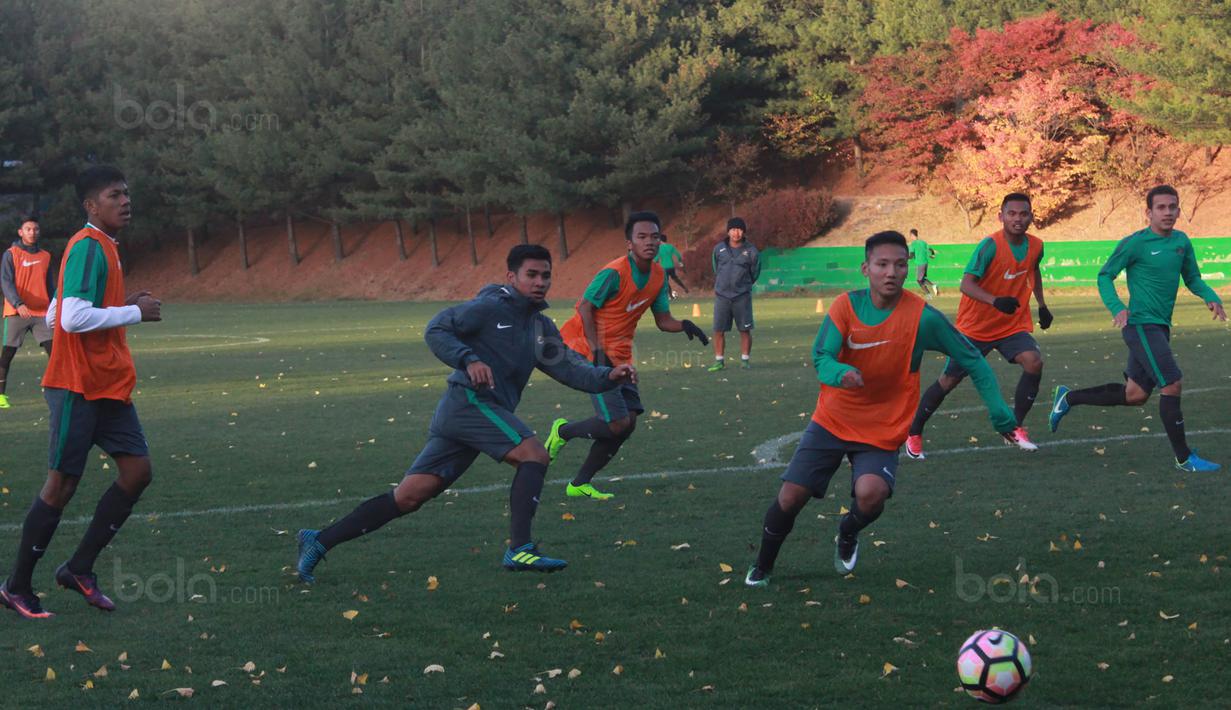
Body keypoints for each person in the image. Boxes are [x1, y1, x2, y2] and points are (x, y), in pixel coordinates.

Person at [295, 245, 636, 582]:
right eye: (531, 275)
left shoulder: (539, 327)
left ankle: (319, 541)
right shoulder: (489, 308)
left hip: (472, 415)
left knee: (410, 496)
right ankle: (520, 549)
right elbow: (437, 329)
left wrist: (607, 376)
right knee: (534, 455)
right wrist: (468, 359)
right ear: (511, 276)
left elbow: (569, 368)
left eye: (545, 275)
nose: (540, 282)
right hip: (470, 403)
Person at [743, 231, 1019, 588]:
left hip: (883, 428)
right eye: (882, 264)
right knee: (791, 495)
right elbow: (820, 356)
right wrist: (841, 372)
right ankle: (764, 564)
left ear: (908, 269)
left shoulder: (923, 318)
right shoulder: (845, 306)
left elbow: (973, 360)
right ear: (866, 268)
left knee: (871, 496)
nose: (891, 272)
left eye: (900, 265)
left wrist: (999, 413)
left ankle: (847, 530)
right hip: (833, 419)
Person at [1, 166, 163, 619]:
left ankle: (78, 568)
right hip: (77, 387)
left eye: (128, 193)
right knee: (61, 485)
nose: (126, 201)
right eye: (115, 195)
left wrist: (115, 307)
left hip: (107, 384)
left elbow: (55, 314)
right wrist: (133, 311)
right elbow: (70, 319)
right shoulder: (90, 246)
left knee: (137, 472)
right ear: (93, 206)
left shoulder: (101, 247)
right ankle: (16, 586)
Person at [1049, 185, 1225, 472]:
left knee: (1135, 395)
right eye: (1161, 207)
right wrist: (1118, 307)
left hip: (1161, 327)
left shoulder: (1182, 241)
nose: (1167, 212)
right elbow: (1105, 275)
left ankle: (1068, 398)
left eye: (1172, 207)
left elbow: (1192, 278)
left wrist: (1211, 297)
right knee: (1172, 383)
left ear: (1179, 211)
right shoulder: (1135, 243)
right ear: (1149, 213)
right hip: (1140, 325)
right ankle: (1184, 458)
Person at [543, 211, 708, 500]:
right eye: (642, 236)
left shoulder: (657, 275)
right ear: (629, 243)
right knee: (616, 423)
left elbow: (662, 319)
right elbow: (583, 307)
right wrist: (596, 352)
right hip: (587, 349)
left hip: (620, 354)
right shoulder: (614, 272)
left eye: (654, 236)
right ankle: (563, 431)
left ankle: (580, 483)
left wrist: (685, 325)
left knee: (628, 422)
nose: (649, 242)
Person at [906, 194, 1051, 459]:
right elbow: (966, 284)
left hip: (1010, 325)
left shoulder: (1037, 246)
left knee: (1034, 362)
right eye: (1012, 213)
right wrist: (994, 301)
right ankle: (914, 431)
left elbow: (1034, 270)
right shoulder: (990, 246)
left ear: (1031, 216)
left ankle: (1014, 427)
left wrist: (1042, 305)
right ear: (1001, 216)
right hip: (975, 328)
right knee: (948, 381)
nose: (1018, 219)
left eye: (1024, 214)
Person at [0, 215, 55, 408]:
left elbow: (50, 287)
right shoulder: (11, 254)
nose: (33, 232)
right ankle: (1, 396)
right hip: (17, 312)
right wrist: (18, 303)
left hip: (41, 313)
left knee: (55, 352)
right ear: (20, 232)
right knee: (8, 353)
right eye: (28, 229)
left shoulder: (46, 256)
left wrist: (55, 306)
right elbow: (5, 282)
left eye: (36, 229)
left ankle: (60, 391)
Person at [709, 217, 760, 370]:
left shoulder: (751, 251)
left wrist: (743, 285)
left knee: (744, 329)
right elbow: (715, 268)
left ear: (743, 231)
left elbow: (755, 272)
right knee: (718, 330)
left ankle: (745, 360)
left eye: (739, 229)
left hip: (742, 296)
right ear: (728, 231)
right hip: (722, 296)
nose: (736, 233)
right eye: (733, 229)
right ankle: (719, 360)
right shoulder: (719, 249)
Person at [654, 232, 688, 298]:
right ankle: (684, 288)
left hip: (664, 267)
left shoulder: (659, 248)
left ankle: (670, 296)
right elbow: (678, 255)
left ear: (660, 240)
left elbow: (656, 258)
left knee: (665, 282)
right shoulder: (670, 247)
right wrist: (680, 261)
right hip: (671, 267)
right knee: (675, 278)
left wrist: (652, 263)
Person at [910, 228, 939, 297]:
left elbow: (911, 255)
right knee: (922, 279)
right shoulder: (923, 242)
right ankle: (932, 288)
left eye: (910, 235)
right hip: (925, 263)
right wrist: (932, 255)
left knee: (919, 280)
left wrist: (906, 258)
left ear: (912, 235)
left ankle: (929, 293)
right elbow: (931, 249)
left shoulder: (913, 244)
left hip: (920, 263)